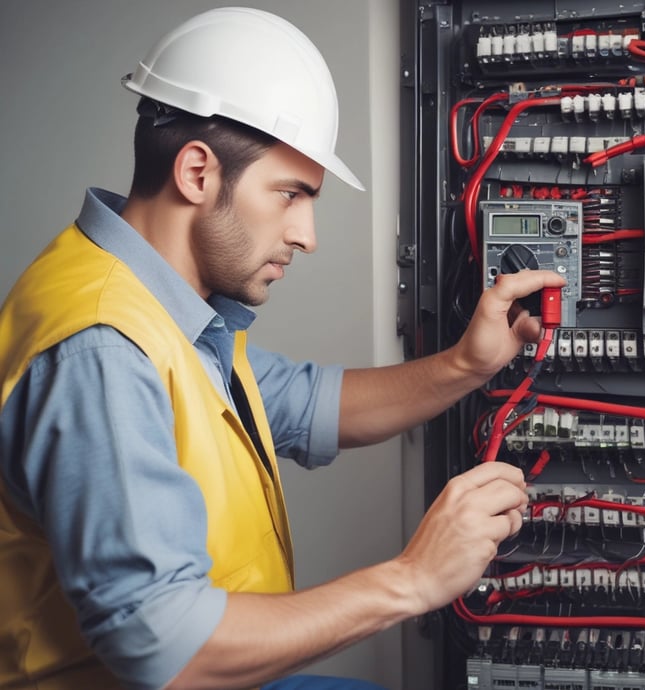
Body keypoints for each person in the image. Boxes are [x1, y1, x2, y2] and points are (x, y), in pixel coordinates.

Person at [0, 7, 565, 690]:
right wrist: (412, 579)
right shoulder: (102, 347)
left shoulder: (155, 303)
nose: (307, 234)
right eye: (291, 195)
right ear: (198, 173)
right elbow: (163, 645)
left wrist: (468, 364)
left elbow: (304, 404)